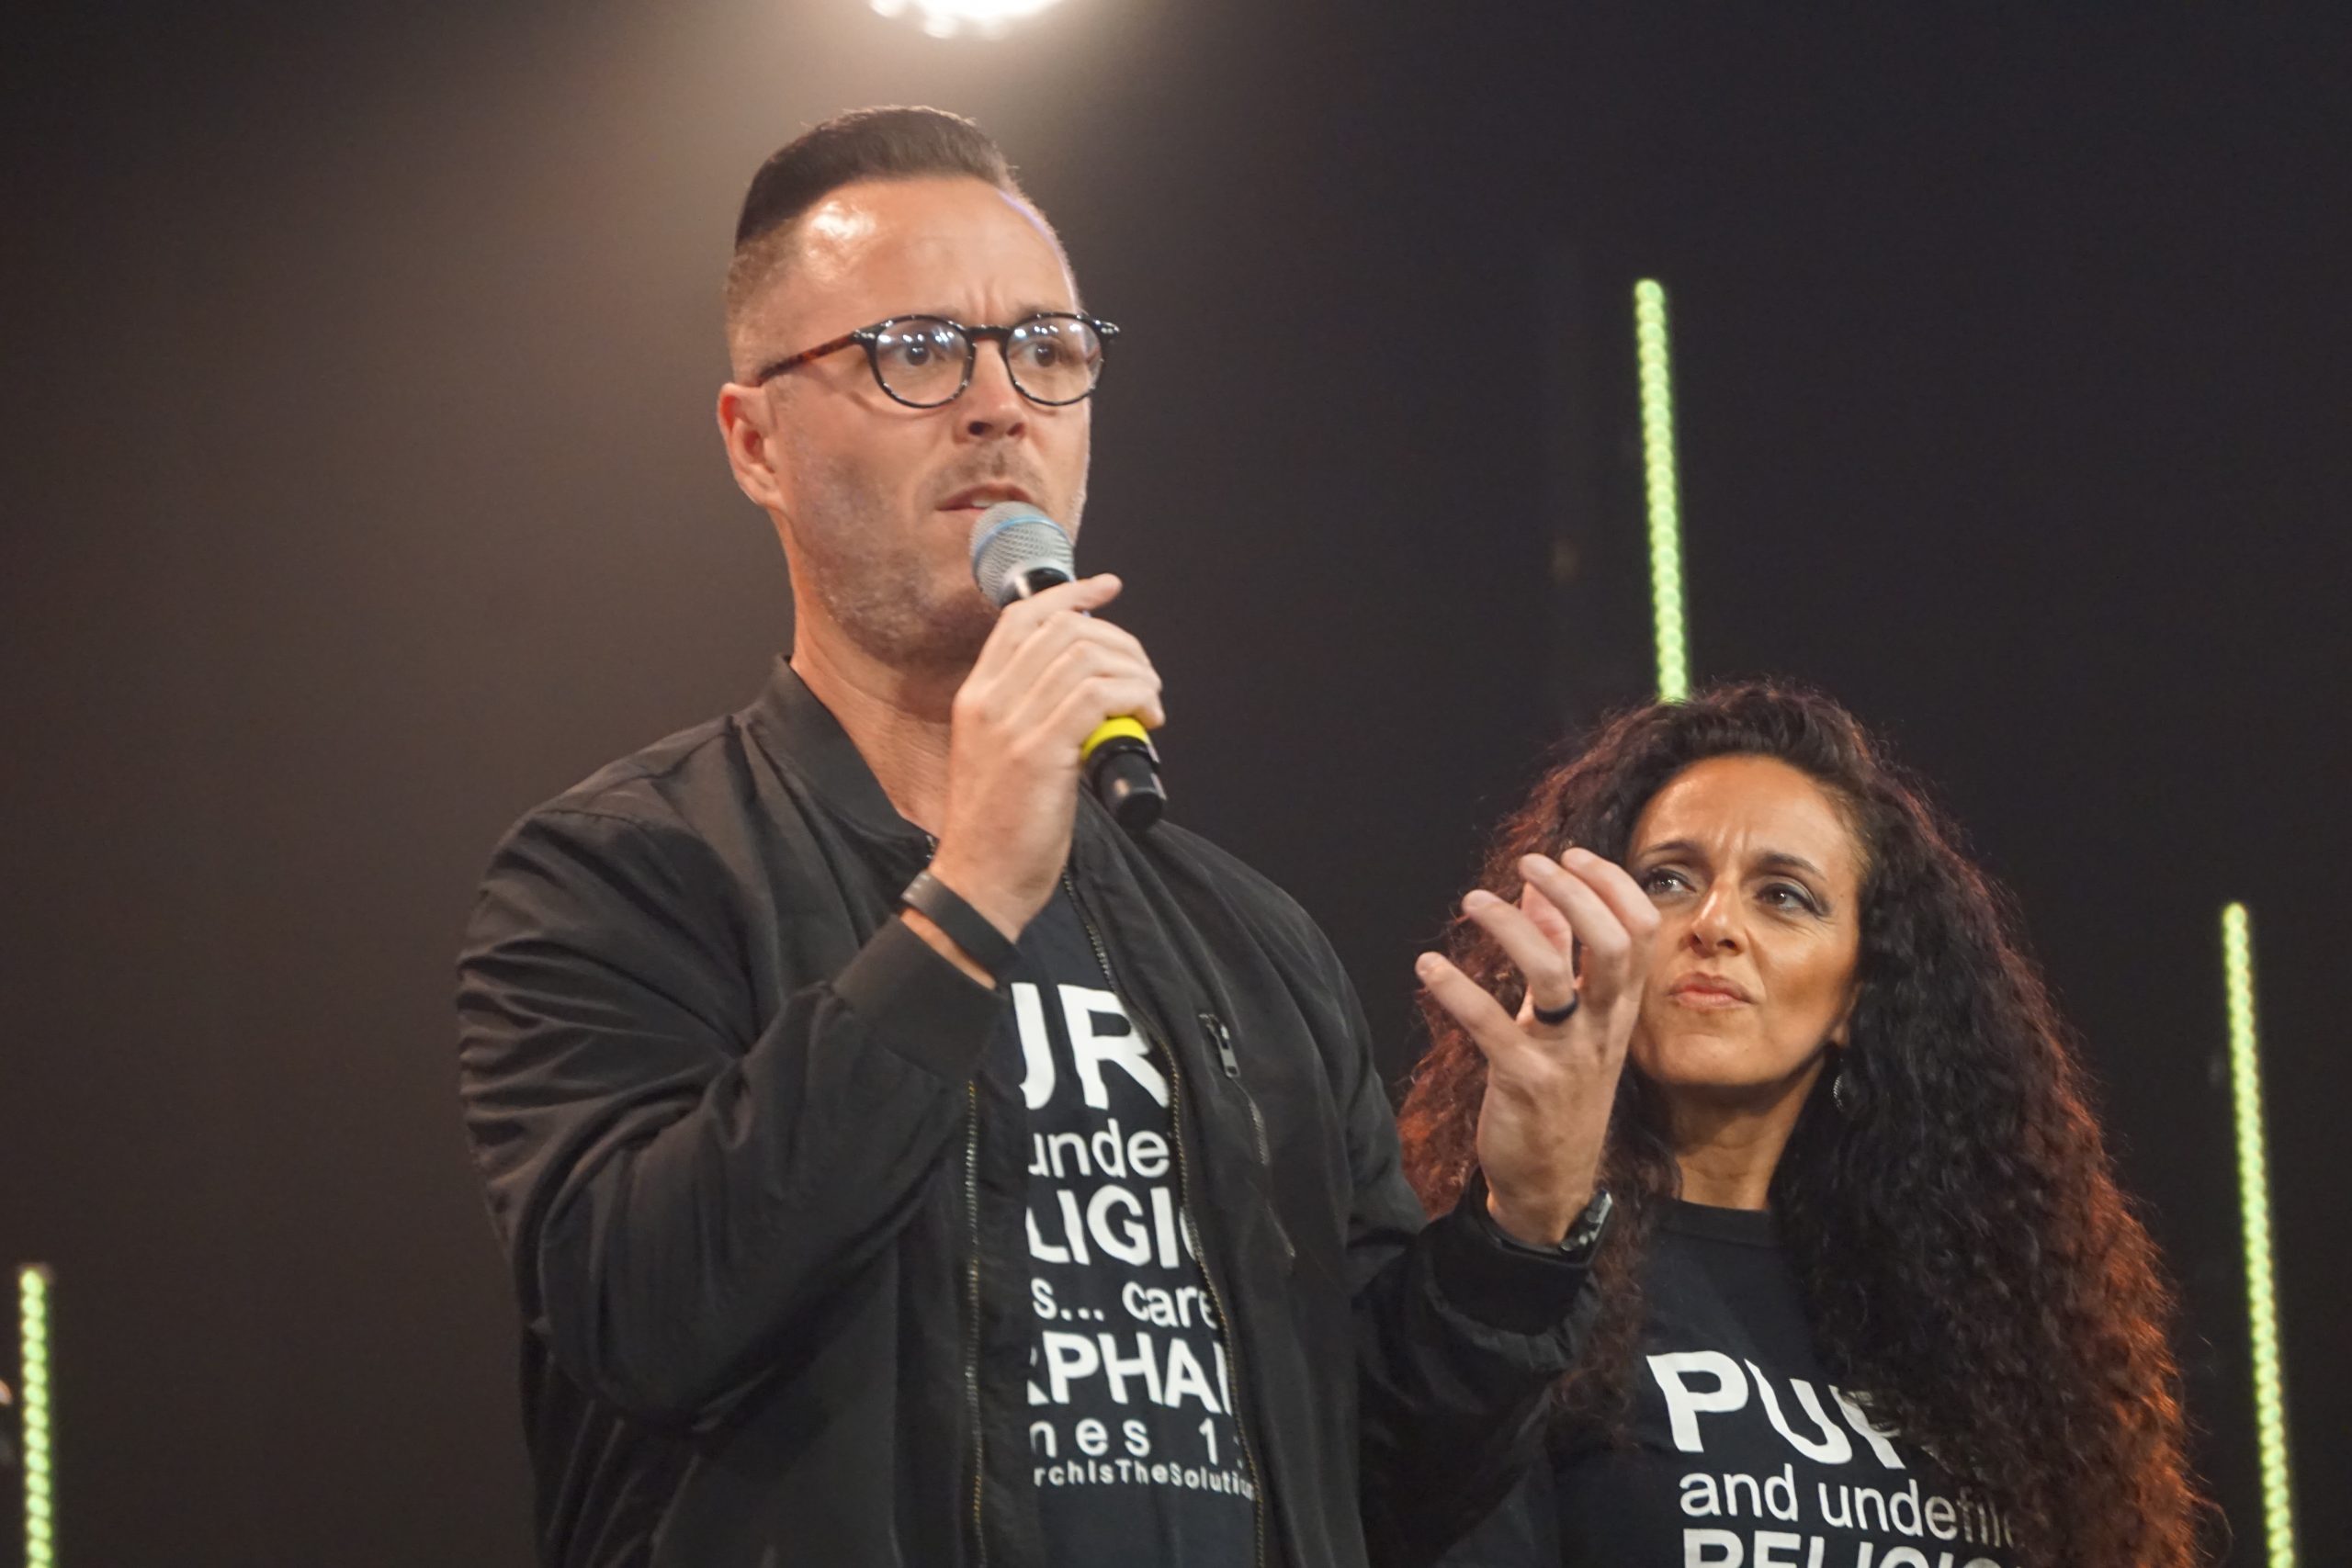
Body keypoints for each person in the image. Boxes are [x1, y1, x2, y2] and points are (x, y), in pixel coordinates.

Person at [456, 106, 1653, 1568]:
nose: (997, 405)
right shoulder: (623, 874)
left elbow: (1385, 1484)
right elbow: (650, 1318)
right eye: (913, 351)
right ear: (754, 440)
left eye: (1048, 349)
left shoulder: (1244, 941)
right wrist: (966, 899)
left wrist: (1525, 1228)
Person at [1396, 682, 2204, 1568]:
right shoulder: (1512, 1282)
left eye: (1784, 895)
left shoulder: (1977, 1316)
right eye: (1668, 879)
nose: (1714, 925)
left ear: (1859, 994)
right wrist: (1523, 1229)